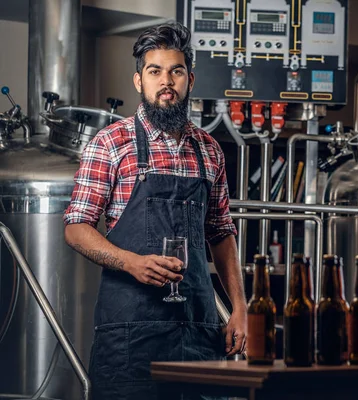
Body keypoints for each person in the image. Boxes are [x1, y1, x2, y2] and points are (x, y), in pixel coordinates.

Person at [63, 22, 247, 400]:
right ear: (138, 81)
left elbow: (221, 233)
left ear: (190, 79)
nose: (167, 81)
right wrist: (130, 261)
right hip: (131, 338)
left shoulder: (209, 150)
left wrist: (240, 308)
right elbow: (76, 228)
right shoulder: (112, 143)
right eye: (155, 71)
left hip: (198, 331)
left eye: (176, 71)